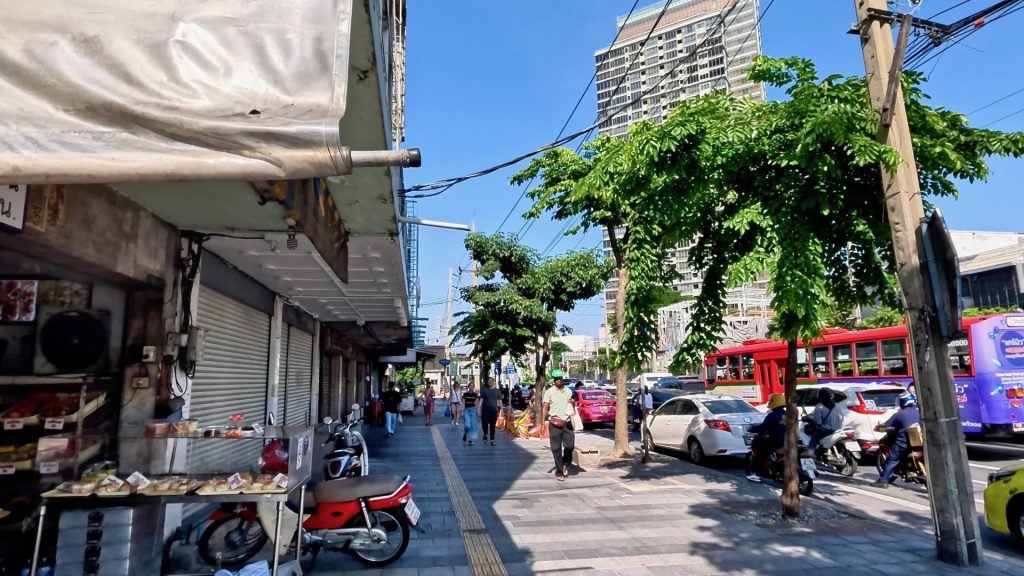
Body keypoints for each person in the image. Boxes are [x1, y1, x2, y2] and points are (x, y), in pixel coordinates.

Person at [873, 391, 921, 488]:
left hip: (904, 443)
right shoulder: (920, 411)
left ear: (903, 402)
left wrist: (877, 427)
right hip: (921, 442)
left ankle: (883, 481)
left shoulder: (899, 414)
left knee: (892, 459)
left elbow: (885, 425)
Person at [541, 370, 575, 481]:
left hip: (567, 422)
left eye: (559, 378)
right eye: (556, 379)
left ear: (562, 379)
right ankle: (559, 472)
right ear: (553, 380)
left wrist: (573, 403)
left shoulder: (568, 391)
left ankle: (565, 463)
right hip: (554, 423)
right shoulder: (549, 392)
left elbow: (572, 404)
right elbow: (545, 407)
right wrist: (542, 423)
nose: (558, 380)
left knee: (570, 446)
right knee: (556, 448)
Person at [747, 393, 787, 483]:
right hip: (790, 441)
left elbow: (763, 427)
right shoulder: (788, 414)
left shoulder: (772, 416)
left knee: (761, 452)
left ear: (773, 403)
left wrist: (752, 429)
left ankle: (756, 474)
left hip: (777, 441)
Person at [479, 378, 501, 445]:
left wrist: (501, 410)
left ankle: (492, 439)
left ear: (493, 382)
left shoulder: (497, 391)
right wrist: (479, 409)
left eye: (491, 381)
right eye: (489, 381)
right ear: (487, 382)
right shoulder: (484, 390)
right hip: (485, 410)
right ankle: (485, 434)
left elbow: (499, 400)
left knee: (492, 425)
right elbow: (481, 399)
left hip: (494, 410)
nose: (490, 382)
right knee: (484, 424)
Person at [462, 381, 480, 445]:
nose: (472, 387)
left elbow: (477, 403)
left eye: (473, 386)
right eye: (471, 386)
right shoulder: (465, 394)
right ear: (468, 387)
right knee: (467, 425)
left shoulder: (475, 395)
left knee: (472, 426)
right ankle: (465, 433)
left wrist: (478, 411)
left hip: (473, 410)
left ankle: (470, 440)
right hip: (466, 410)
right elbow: (463, 403)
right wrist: (462, 410)